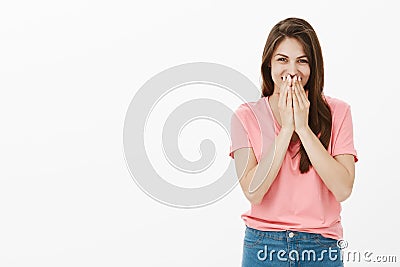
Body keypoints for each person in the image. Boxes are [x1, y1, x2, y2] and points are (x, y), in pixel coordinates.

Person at [229, 17, 358, 266]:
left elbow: (343, 189)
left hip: (320, 247)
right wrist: (286, 129)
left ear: (314, 66)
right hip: (263, 246)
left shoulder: (339, 112)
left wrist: (302, 127)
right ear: (269, 64)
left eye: (302, 61)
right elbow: (253, 192)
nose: (292, 70)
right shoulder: (245, 116)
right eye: (282, 59)